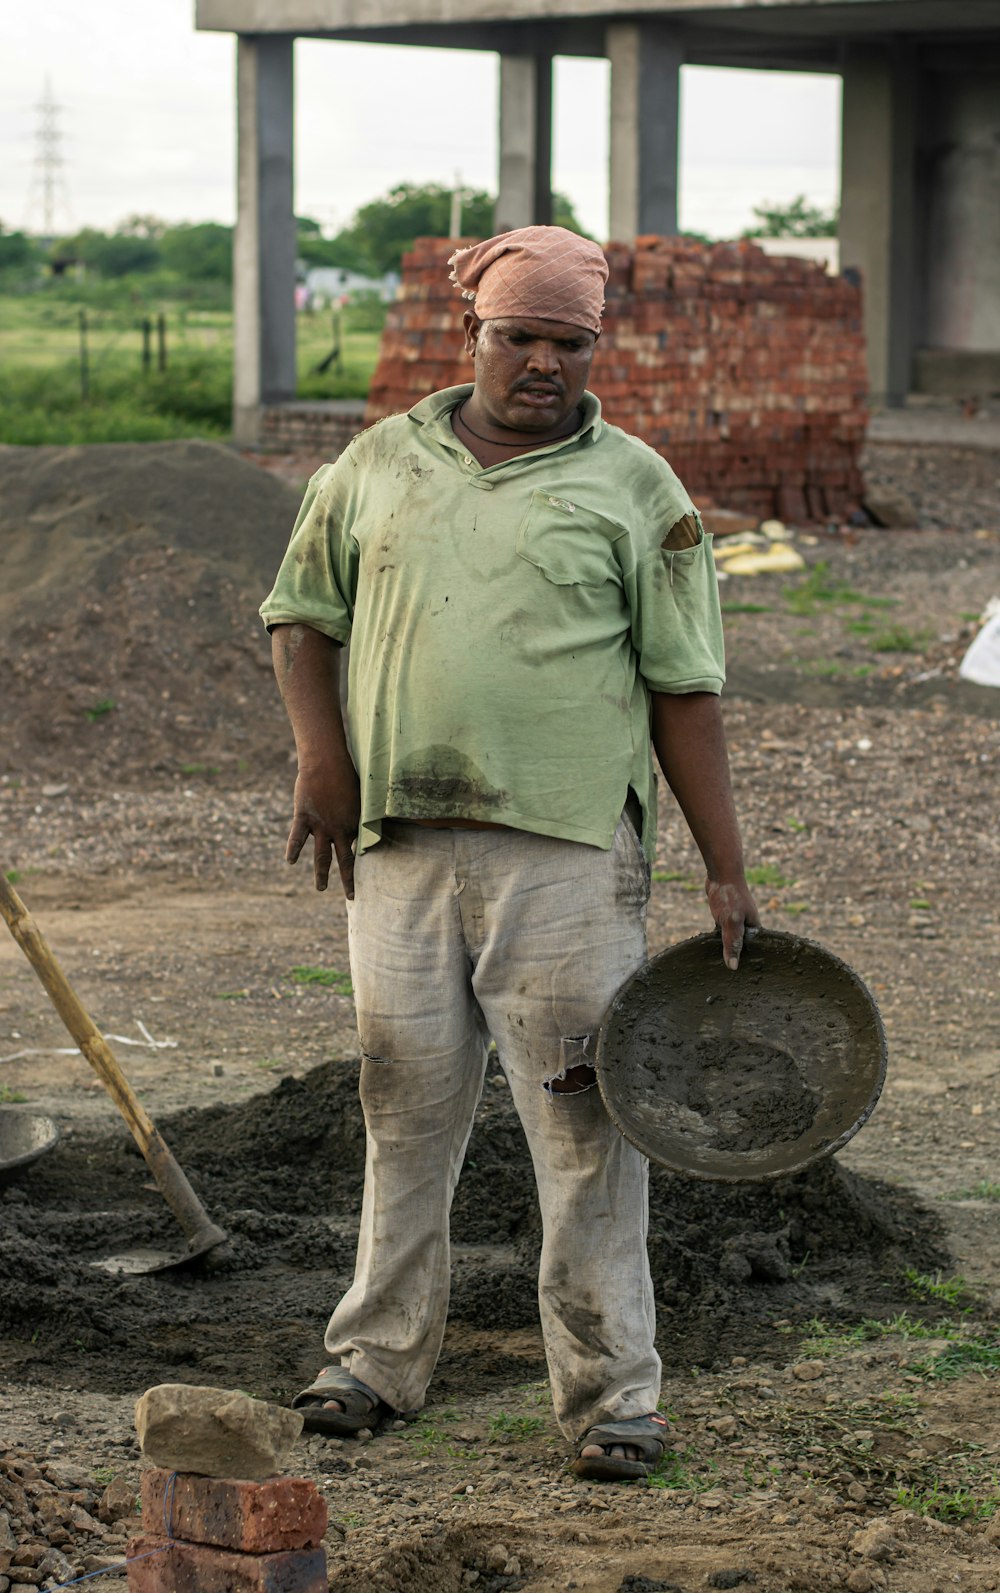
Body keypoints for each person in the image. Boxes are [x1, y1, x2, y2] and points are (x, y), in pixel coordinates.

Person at [260, 224, 759, 1482]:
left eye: (567, 343)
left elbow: (684, 690)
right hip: (403, 847)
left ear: (598, 349)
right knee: (403, 1104)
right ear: (469, 334)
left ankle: (610, 1397)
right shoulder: (377, 464)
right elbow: (299, 618)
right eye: (518, 336)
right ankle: (373, 1360)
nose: (542, 362)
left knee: (588, 1125)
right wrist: (323, 763)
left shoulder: (637, 488)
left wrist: (725, 865)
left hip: (569, 856)